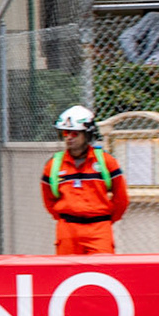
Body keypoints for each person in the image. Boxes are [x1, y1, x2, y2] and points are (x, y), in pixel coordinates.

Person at [40, 105, 127, 256]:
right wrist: (65, 216)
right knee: (66, 273)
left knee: (104, 271)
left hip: (99, 229)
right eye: (66, 133)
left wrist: (106, 220)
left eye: (74, 133)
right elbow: (48, 199)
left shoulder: (106, 162)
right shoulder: (53, 165)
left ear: (87, 135)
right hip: (67, 230)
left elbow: (121, 198)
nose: (69, 137)